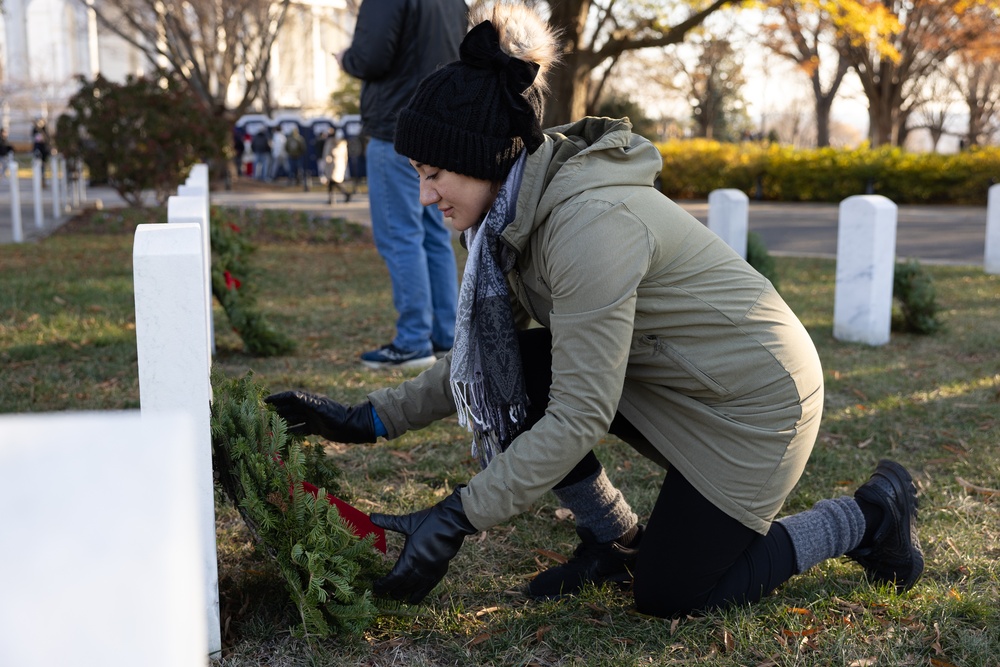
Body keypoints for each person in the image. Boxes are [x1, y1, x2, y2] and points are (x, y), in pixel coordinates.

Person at [267, 3, 923, 616]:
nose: (423, 194)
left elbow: (580, 412)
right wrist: (368, 419)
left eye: (435, 172)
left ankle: (868, 516)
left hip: (754, 402)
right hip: (678, 376)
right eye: (418, 171)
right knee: (517, 370)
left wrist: (453, 516)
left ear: (485, 157)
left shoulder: (586, 227)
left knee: (673, 593)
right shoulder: (511, 216)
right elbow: (486, 364)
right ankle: (614, 540)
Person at [337, 0, 466, 369]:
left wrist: (346, 58)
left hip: (395, 127)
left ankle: (412, 340)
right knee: (432, 234)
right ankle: (446, 335)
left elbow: (371, 57)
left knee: (400, 235)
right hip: (435, 126)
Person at [320, 128, 351, 204]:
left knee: (335, 181)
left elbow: (336, 153)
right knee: (331, 182)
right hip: (332, 165)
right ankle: (332, 199)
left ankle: (345, 193)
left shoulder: (340, 144)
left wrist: (330, 156)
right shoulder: (331, 142)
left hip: (336, 165)